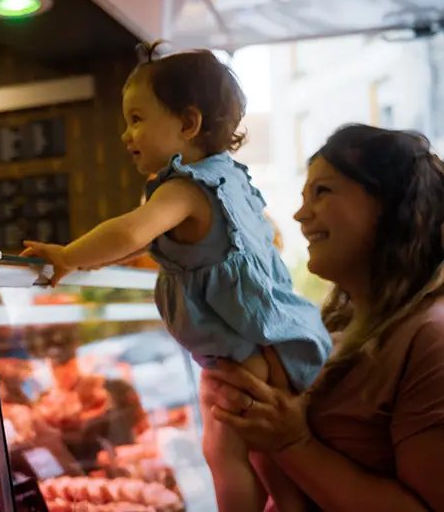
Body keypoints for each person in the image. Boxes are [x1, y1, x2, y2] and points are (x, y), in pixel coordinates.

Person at [20, 43, 331, 512]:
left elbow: (128, 230)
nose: (126, 135)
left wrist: (69, 256)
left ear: (188, 124)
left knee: (225, 454)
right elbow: (267, 235)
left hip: (240, 349)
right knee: (266, 457)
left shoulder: (184, 188)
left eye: (138, 119)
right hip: (270, 339)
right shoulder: (231, 179)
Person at [202, 125, 444, 511]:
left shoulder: (431, 337)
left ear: (392, 204)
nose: (300, 214)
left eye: (323, 191)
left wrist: (293, 444)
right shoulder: (332, 325)